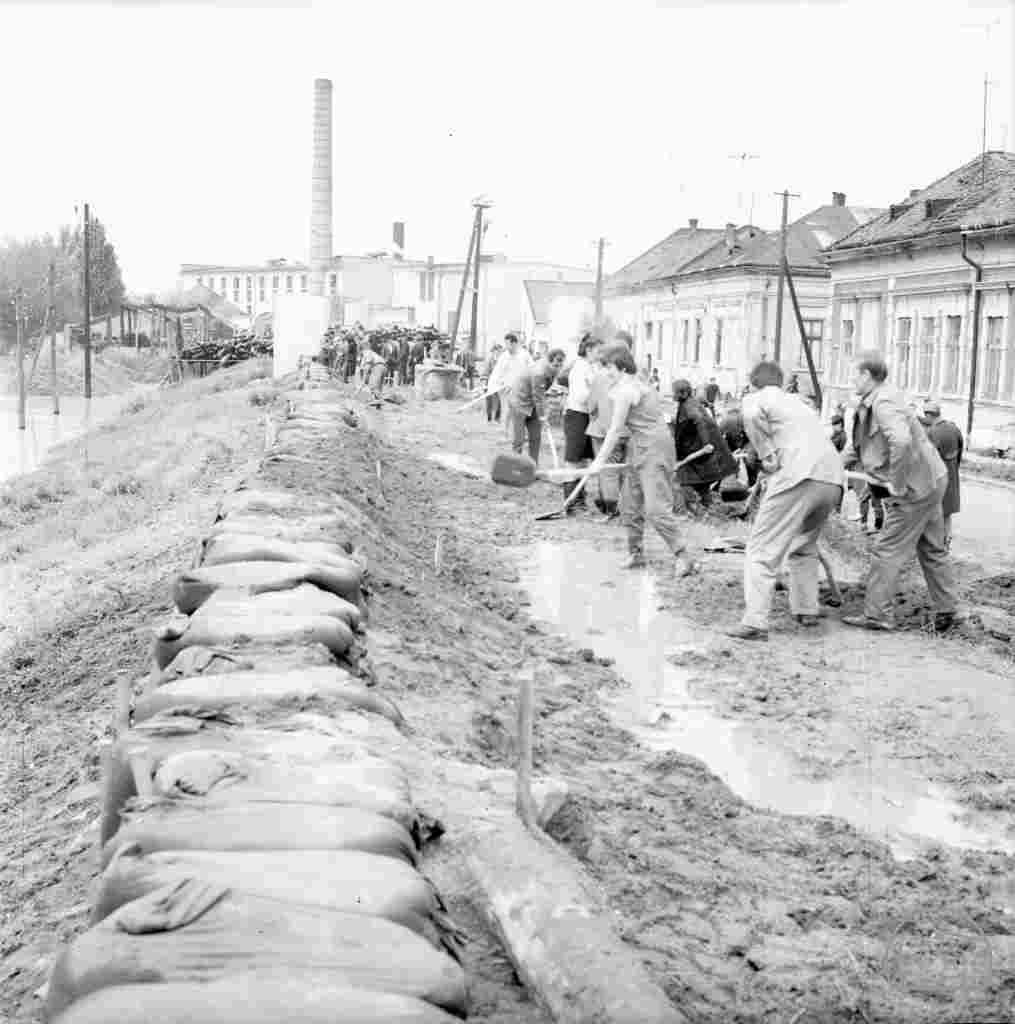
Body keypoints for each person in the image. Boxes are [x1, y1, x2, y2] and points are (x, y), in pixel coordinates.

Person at [722, 361, 844, 641]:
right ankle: (806, 609)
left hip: (798, 474)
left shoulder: (757, 398)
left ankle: (755, 623)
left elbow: (751, 417)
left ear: (753, 383)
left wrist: (767, 455)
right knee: (804, 544)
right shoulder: (799, 403)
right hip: (832, 478)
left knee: (761, 549)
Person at [841, 350, 958, 632]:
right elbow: (856, 447)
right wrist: (832, 467)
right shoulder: (877, 400)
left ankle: (877, 614)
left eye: (853, 374)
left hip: (915, 488)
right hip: (931, 480)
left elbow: (902, 442)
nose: (850, 380)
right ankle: (947, 609)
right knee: (932, 547)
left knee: (887, 549)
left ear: (867, 375)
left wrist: (898, 482)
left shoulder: (883, 402)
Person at [588, 344, 696, 576]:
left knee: (656, 508)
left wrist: (599, 460)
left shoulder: (628, 390)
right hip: (639, 445)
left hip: (655, 448)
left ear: (620, 367)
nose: (607, 372)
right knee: (629, 503)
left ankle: (684, 556)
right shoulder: (626, 386)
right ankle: (635, 554)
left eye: (609, 367)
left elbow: (616, 429)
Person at [671, 379, 736, 508]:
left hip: (703, 453)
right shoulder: (690, 402)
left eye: (673, 391)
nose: (672, 394)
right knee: (701, 486)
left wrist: (706, 443)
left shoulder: (689, 406)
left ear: (680, 393)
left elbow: (699, 420)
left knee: (684, 481)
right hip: (700, 452)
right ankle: (709, 511)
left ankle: (690, 511)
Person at [586, 336, 630, 519]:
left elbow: (591, 406)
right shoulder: (631, 376)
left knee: (607, 470)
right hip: (626, 431)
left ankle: (610, 508)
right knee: (620, 469)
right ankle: (613, 502)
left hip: (602, 430)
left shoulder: (599, 377)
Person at [561, 334, 601, 510]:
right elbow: (581, 395)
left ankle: (580, 497)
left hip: (587, 416)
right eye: (598, 351)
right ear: (589, 350)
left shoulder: (591, 367)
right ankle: (571, 500)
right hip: (577, 415)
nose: (600, 355)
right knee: (573, 459)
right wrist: (599, 396)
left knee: (584, 459)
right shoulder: (579, 368)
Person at [508, 347, 565, 464]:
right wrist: (543, 417)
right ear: (549, 361)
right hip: (519, 403)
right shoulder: (539, 372)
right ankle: (513, 466)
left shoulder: (552, 370)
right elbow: (538, 396)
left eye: (560, 365)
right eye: (555, 365)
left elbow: (542, 395)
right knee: (519, 439)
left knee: (536, 437)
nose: (558, 369)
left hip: (533, 404)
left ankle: (533, 467)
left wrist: (544, 412)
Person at [921, 401, 963, 551]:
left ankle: (937, 544)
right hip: (952, 475)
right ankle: (947, 540)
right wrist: (954, 469)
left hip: (938, 478)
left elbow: (929, 460)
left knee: (936, 511)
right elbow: (960, 452)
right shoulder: (954, 428)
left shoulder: (932, 432)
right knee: (948, 512)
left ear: (929, 415)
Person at [481, 343, 503, 422]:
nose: (499, 353)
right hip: (489, 383)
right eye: (497, 351)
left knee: (499, 401)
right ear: (493, 351)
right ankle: (489, 418)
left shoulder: (502, 361)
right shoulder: (489, 360)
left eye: (500, 351)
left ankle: (497, 418)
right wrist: (484, 383)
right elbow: (485, 372)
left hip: (499, 384)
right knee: (489, 401)